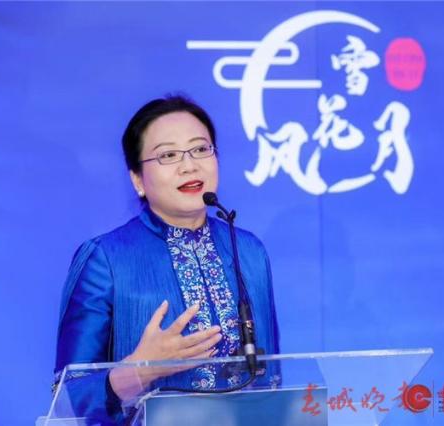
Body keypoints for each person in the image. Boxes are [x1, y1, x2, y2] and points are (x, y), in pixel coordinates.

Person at [53, 95, 280, 414]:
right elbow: (66, 397)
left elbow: (272, 379)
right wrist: (139, 370)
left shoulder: (248, 250)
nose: (189, 165)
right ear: (137, 180)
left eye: (200, 149)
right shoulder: (105, 259)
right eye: (168, 155)